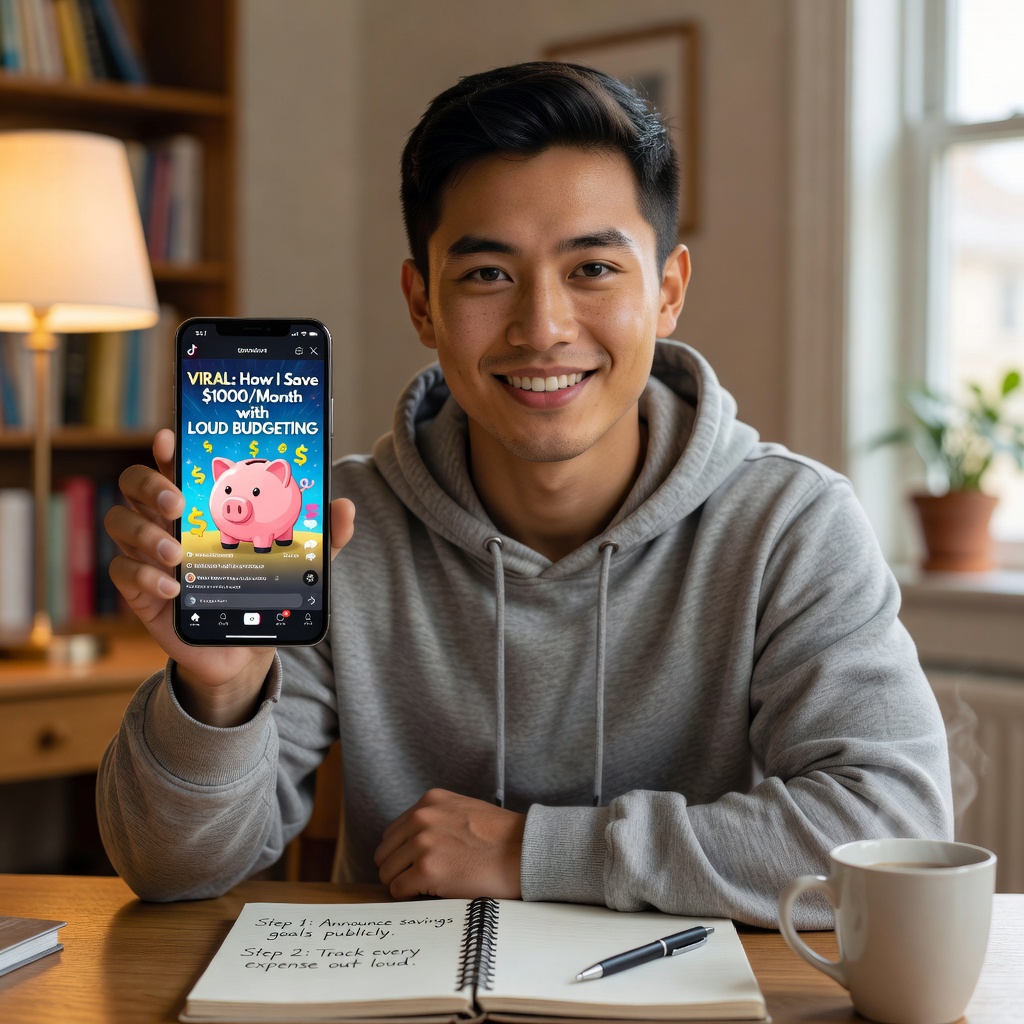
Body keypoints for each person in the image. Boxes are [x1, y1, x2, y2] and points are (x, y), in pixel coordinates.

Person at [97, 61, 953, 927]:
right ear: (421, 304)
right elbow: (170, 871)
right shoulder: (338, 530)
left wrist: (531, 853)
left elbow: (896, 831)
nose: (542, 328)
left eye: (593, 268)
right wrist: (217, 692)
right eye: (486, 275)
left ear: (667, 292)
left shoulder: (789, 524)